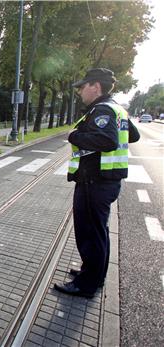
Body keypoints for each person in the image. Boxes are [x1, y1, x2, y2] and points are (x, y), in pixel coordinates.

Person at [54, 68, 140, 298]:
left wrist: (74, 136)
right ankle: (95, 274)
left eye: (83, 86)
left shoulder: (102, 110)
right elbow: (134, 136)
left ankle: (86, 284)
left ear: (96, 86)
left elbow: (108, 139)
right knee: (98, 232)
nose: (80, 91)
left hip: (95, 181)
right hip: (105, 181)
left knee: (90, 232)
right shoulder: (117, 109)